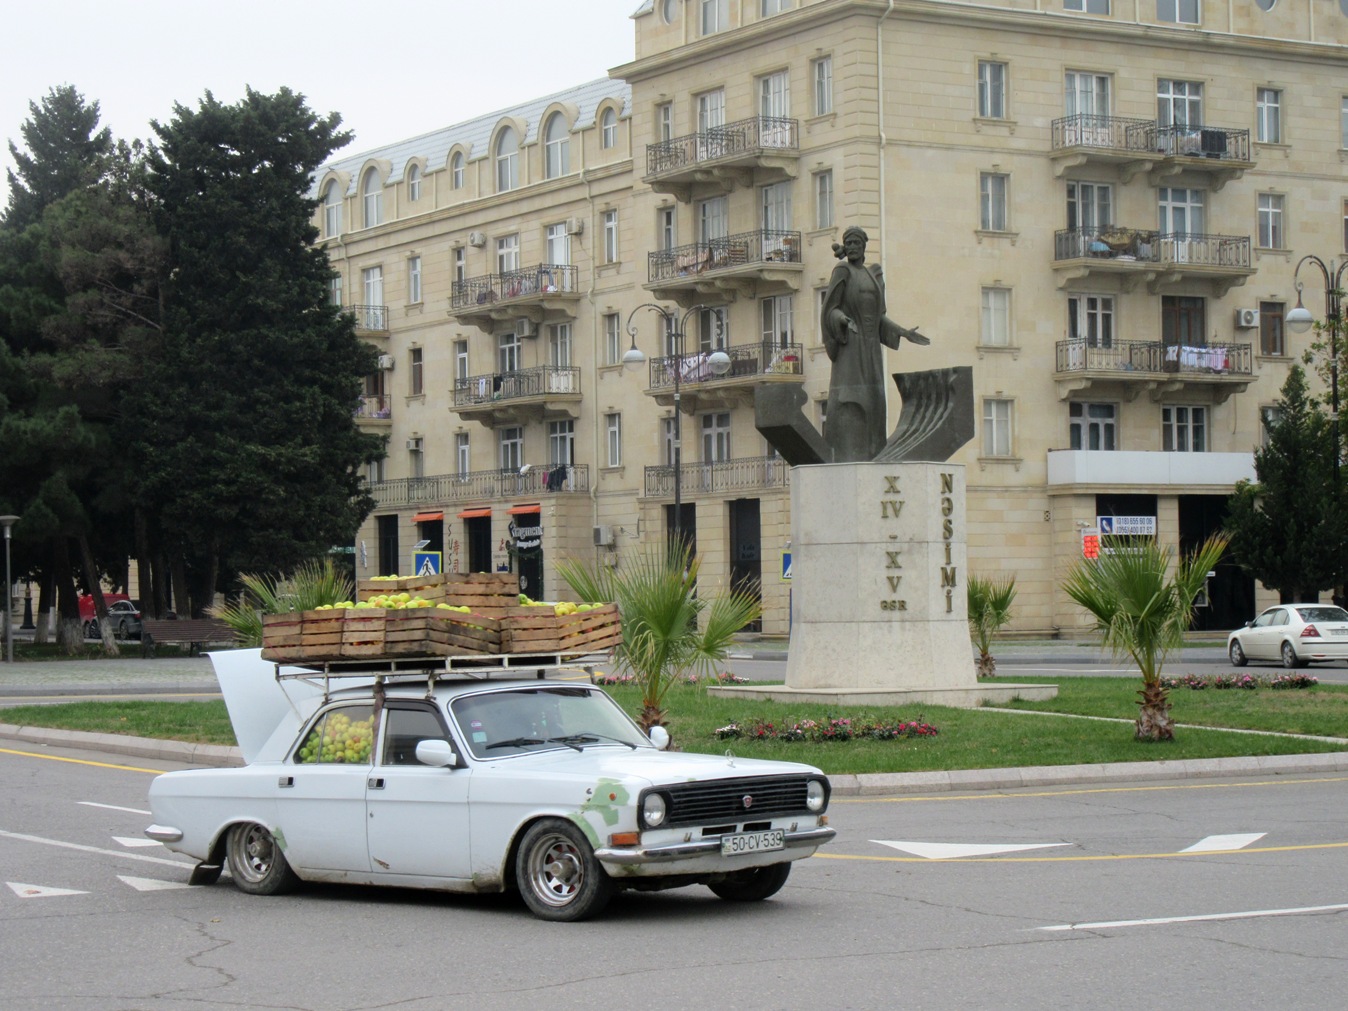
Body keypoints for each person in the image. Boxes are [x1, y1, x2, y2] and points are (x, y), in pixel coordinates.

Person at [820, 225, 929, 462]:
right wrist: (842, 320)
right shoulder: (842, 270)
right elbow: (830, 308)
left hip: (871, 348)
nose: (852, 247)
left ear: (864, 246)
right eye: (849, 243)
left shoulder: (874, 274)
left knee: (874, 399)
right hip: (850, 346)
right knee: (851, 398)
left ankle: (872, 451)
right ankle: (847, 451)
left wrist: (903, 332)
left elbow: (879, 318)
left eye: (856, 243)